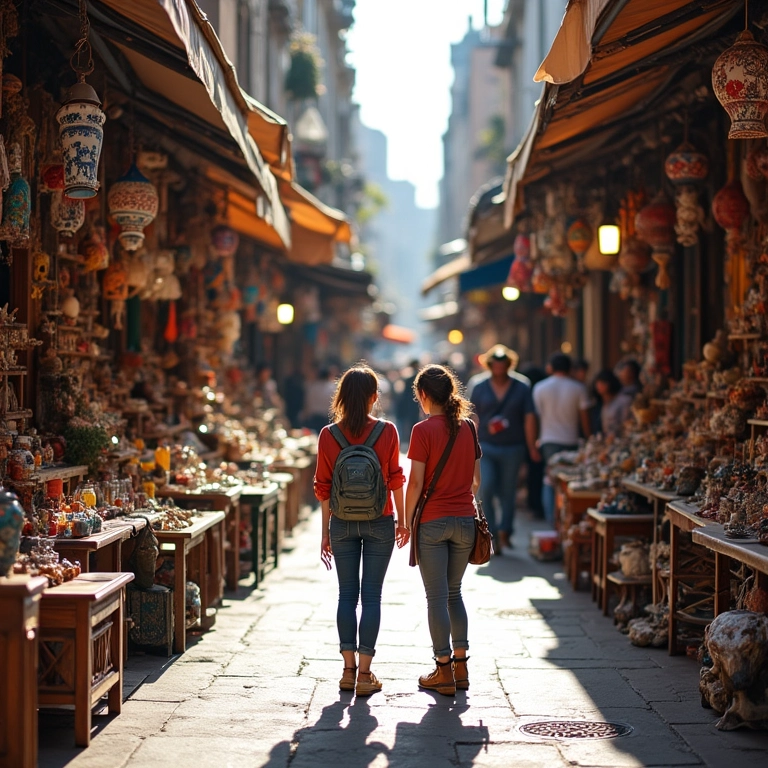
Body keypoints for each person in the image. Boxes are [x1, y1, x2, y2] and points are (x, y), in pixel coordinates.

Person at [314, 365, 408, 696]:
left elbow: (323, 488)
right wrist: (403, 520)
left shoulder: (328, 435)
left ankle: (347, 671)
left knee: (345, 595)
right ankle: (366, 675)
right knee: (371, 597)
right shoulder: (388, 432)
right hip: (380, 519)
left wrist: (326, 532)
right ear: (373, 398)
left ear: (340, 398)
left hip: (341, 522)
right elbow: (396, 478)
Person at [405, 364, 481, 696]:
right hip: (465, 521)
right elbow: (476, 482)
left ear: (423, 395)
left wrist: (406, 522)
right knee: (454, 594)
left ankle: (443, 671)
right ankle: (461, 668)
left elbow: (416, 482)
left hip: (432, 522)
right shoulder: (469, 428)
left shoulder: (422, 431)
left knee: (436, 597)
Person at [469, 345, 539, 552]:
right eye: (495, 364)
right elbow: (472, 416)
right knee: (486, 487)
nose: (499, 368)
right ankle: (491, 533)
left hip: (513, 446)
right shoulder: (479, 385)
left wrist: (531, 445)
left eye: (503, 364)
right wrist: (469, 443)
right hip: (486, 446)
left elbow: (529, 418)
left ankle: (505, 531)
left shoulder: (522, 386)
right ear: (489, 365)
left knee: (508, 491)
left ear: (509, 365)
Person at [532, 353, 592, 526]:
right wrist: (589, 438)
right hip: (571, 440)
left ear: (550, 367)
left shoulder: (540, 388)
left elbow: (534, 417)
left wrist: (535, 442)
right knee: (571, 482)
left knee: (550, 480)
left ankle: (553, 521)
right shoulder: (578, 388)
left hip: (548, 440)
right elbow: (584, 417)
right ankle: (568, 520)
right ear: (570, 368)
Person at [593, 368, 633, 438]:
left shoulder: (624, 400)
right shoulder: (603, 403)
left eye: (602, 383)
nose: (598, 386)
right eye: (598, 383)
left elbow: (627, 423)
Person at [303, 366, 337, 433]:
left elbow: (308, 402)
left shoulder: (313, 387)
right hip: (327, 418)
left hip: (314, 417)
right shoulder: (332, 387)